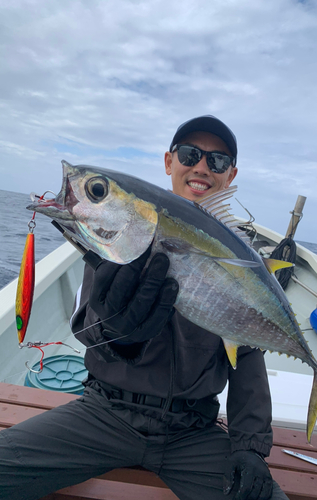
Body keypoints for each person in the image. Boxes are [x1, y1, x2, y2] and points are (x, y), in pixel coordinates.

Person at [0, 116, 288, 500]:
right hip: (105, 414)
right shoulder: (122, 233)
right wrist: (120, 338)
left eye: (217, 161)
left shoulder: (241, 262)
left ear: (230, 175)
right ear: (170, 162)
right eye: (190, 154)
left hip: (192, 431)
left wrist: (249, 446)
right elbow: (88, 327)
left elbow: (247, 354)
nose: (201, 167)